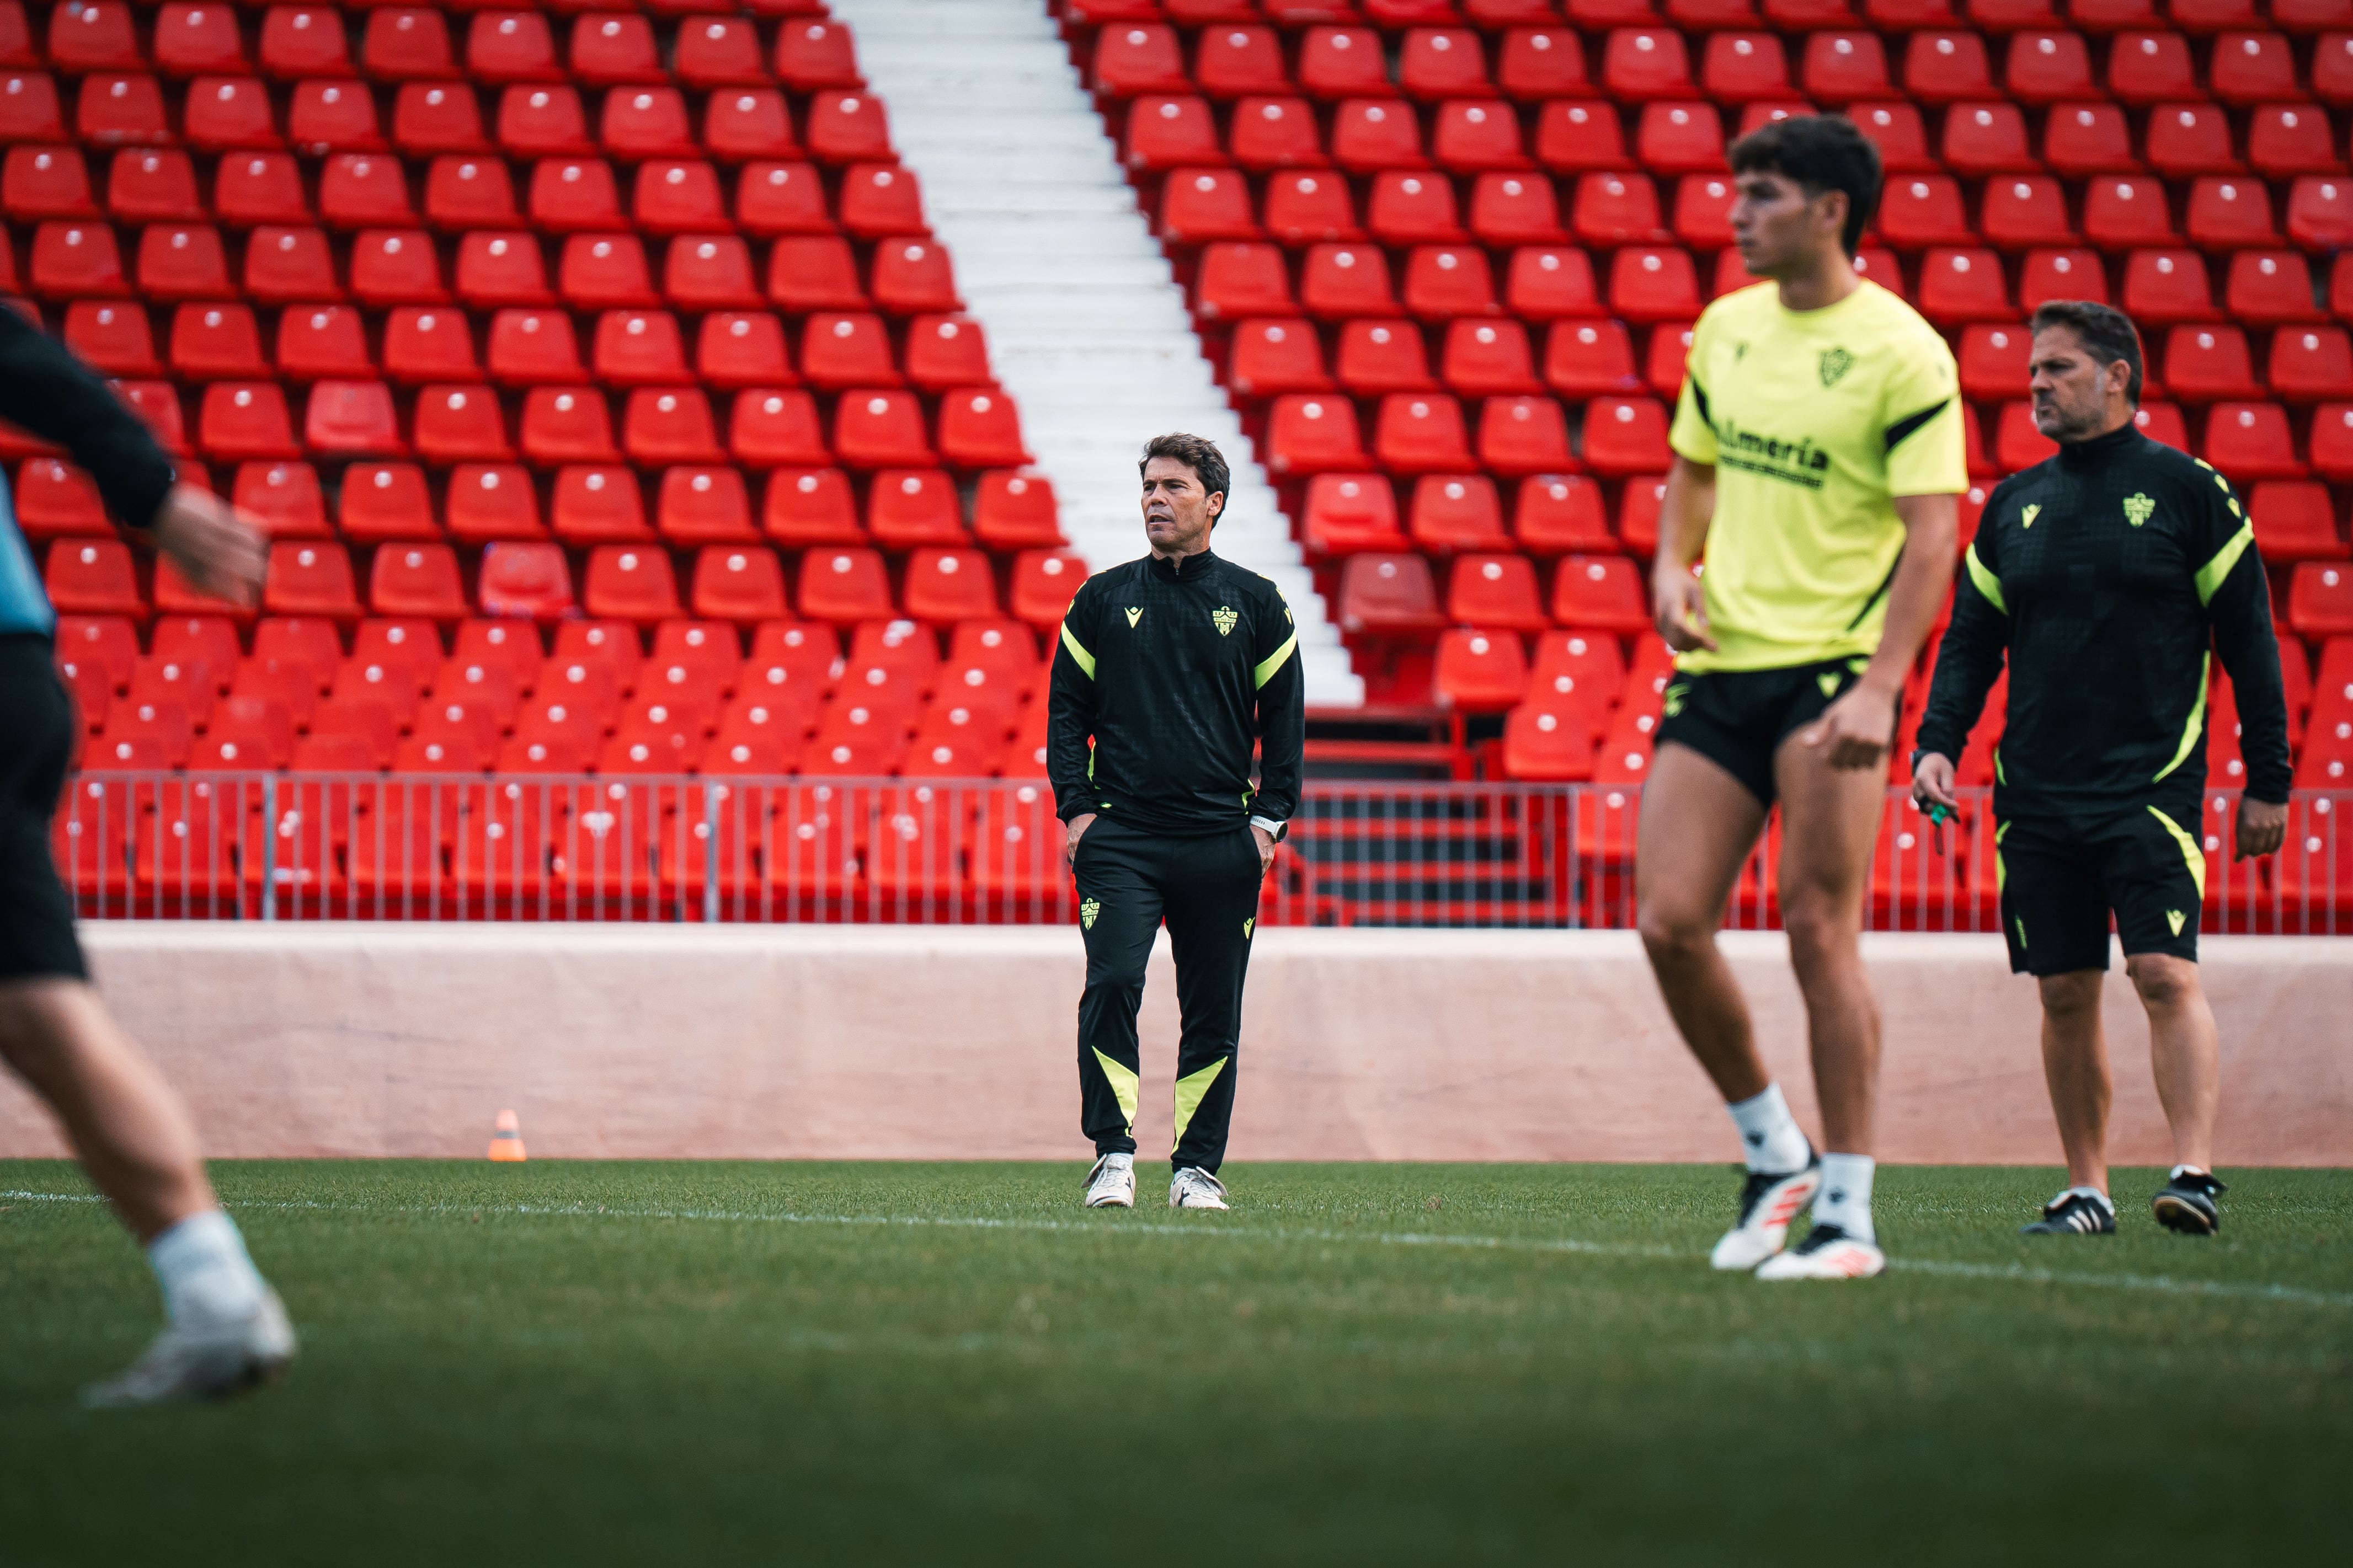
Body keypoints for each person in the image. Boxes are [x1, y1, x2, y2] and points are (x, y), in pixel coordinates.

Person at [1640, 115, 1967, 1281]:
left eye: (1762, 194)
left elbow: (1935, 538)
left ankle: (1850, 1218)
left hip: (1835, 672)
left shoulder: (1903, 352)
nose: (1737, 212)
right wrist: (1672, 564)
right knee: (1669, 924)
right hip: (1724, 665)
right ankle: (1775, 1152)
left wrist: (1885, 688)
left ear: (1831, 211)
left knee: (1819, 932)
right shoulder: (1725, 329)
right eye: (1737, 191)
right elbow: (1691, 471)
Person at [1912, 301, 2290, 1239]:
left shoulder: (2188, 491)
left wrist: (2270, 778)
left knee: (2161, 972)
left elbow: (2249, 641)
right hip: (2033, 792)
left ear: (2119, 376)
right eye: (2033, 370)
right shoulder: (2011, 504)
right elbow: (1969, 641)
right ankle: (2086, 1190)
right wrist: (1936, 743)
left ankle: (2193, 1174)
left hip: (2147, 787)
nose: (2035, 384)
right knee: (2064, 990)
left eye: (2058, 369)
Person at [0, 306, 295, 1403]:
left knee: (41, 1011)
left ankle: (218, 1297)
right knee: (34, 1012)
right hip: (15, 669)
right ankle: (215, 1297)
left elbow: (20, 358)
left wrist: (155, 494)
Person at [1046, 434, 1304, 1211]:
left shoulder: (1257, 604)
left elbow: (1285, 724)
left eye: (1173, 487)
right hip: (1120, 840)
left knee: (1212, 1010)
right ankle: (1113, 1155)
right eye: (1149, 487)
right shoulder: (1099, 599)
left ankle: (1195, 1169)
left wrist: (1267, 825)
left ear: (1213, 503)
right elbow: (1066, 715)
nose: (1155, 500)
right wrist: (1078, 811)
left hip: (1220, 845)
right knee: (1114, 983)